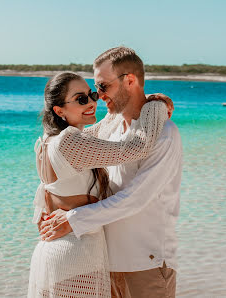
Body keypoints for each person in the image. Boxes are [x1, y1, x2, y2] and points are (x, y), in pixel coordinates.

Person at [40, 47, 183, 298]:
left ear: (129, 80)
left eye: (101, 88)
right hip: (102, 262)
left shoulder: (164, 134)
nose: (99, 98)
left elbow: (136, 198)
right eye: (94, 91)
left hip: (145, 263)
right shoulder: (109, 132)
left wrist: (73, 219)